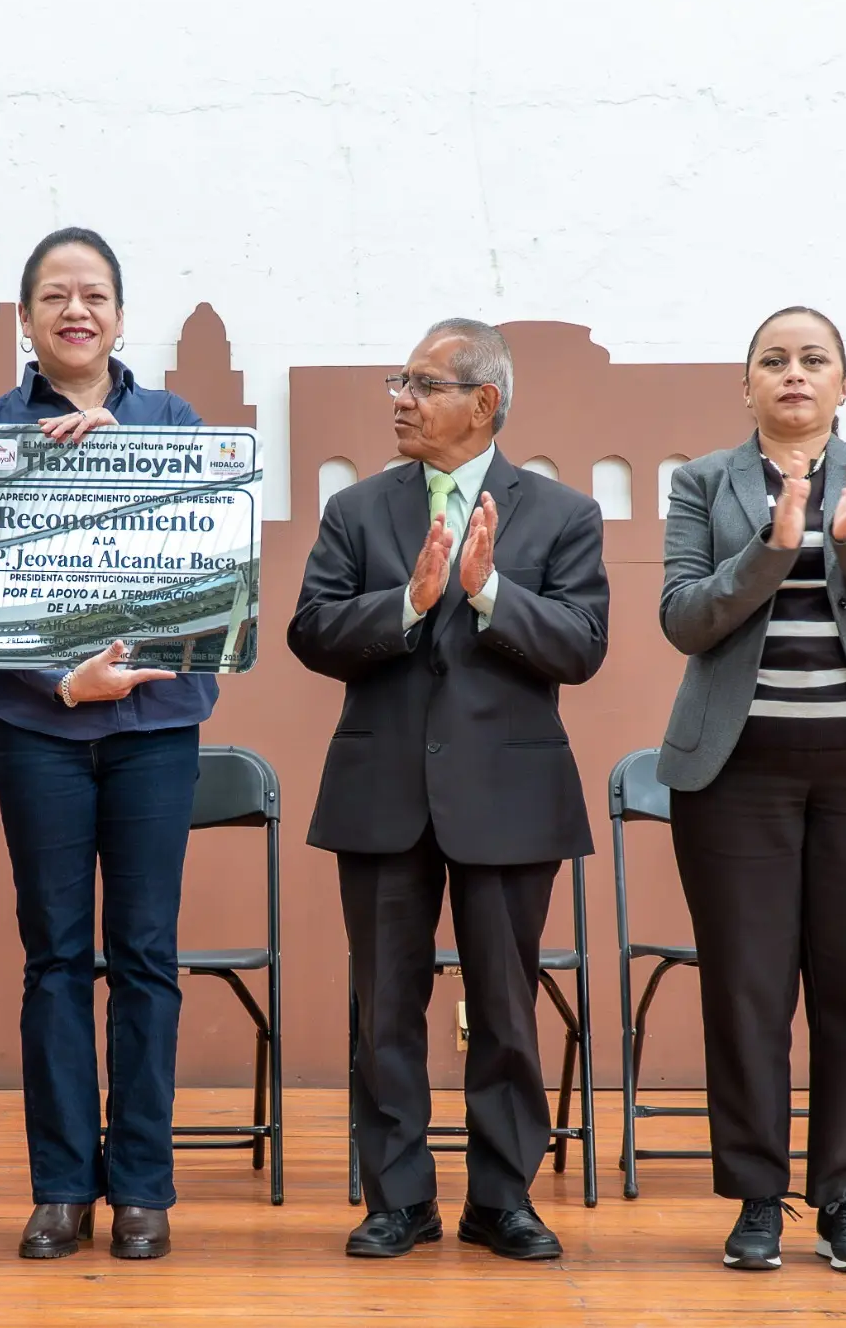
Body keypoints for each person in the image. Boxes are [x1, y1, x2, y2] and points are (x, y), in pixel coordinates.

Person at [288, 319, 609, 1262]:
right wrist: (408, 605)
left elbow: (582, 646)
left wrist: (488, 594)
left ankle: (501, 1199)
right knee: (384, 1006)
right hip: (381, 790)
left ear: (485, 403)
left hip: (509, 798)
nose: (400, 398)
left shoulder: (559, 515)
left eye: (422, 384)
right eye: (399, 381)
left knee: (507, 1009)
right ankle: (400, 1200)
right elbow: (313, 630)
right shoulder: (357, 510)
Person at [656, 306, 846, 1275]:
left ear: (843, 384)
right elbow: (684, 620)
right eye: (772, 360)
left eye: (812, 359)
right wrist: (774, 545)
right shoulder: (704, 483)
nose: (793, 373)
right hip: (734, 776)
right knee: (745, 992)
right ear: (745, 386)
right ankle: (753, 1197)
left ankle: (841, 1199)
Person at [0, 228, 217, 1262]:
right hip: (41, 731)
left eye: (96, 295)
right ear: (25, 319)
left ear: (120, 315)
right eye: (55, 297)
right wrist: (54, 678)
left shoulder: (172, 423)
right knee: (58, 958)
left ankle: (144, 1187)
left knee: (146, 956)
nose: (77, 311)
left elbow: (209, 579)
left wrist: (125, 467)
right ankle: (64, 1186)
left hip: (155, 731)